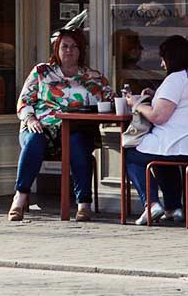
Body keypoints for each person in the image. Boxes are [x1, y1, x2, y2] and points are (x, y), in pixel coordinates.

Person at [7, 27, 112, 223]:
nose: (69, 51)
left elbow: (111, 102)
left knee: (79, 145)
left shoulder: (93, 77)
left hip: (76, 128)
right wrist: (30, 119)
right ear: (56, 49)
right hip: (41, 125)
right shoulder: (42, 71)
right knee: (33, 142)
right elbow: (24, 101)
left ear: (81, 50)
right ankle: (19, 199)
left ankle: (84, 205)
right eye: (64, 46)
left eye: (73, 46)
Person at [123, 35, 188, 225]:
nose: (161, 64)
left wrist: (136, 104)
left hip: (181, 143)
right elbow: (183, 103)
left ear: (171, 58)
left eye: (163, 58)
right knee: (161, 157)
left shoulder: (176, 78)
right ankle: (173, 208)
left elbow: (159, 116)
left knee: (133, 154)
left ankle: (151, 204)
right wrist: (155, 95)